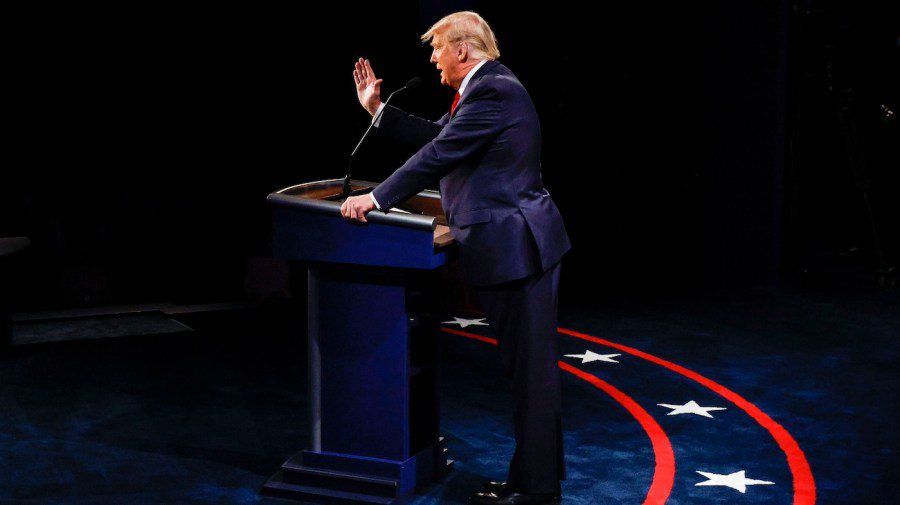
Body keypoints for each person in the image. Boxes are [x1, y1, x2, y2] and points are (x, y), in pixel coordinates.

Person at [341, 11, 570, 505]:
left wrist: (376, 198)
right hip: (516, 245)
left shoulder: (493, 92)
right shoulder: (485, 90)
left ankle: (536, 490)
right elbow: (437, 138)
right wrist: (377, 109)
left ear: (462, 49)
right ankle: (532, 481)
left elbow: (437, 157)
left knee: (531, 375)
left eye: (437, 48)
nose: (433, 58)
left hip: (518, 248)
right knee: (527, 373)